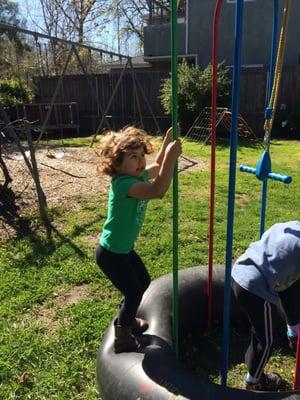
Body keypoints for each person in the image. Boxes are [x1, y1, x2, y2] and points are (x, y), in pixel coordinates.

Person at [95, 126, 182, 353]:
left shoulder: (135, 174)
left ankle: (128, 316)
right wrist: (172, 159)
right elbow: (158, 190)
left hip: (123, 250)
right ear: (117, 163)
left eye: (142, 155)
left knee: (142, 281)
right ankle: (123, 337)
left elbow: (157, 166)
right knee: (133, 292)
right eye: (133, 157)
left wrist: (165, 145)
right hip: (111, 253)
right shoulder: (125, 184)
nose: (141, 161)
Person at [232, 220, 300, 391]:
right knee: (266, 340)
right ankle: (253, 382)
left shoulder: (291, 227)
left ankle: (294, 335)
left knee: (291, 288)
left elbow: (290, 289)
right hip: (255, 287)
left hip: (242, 269)